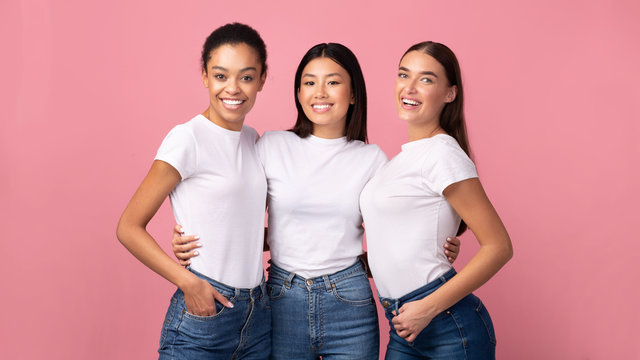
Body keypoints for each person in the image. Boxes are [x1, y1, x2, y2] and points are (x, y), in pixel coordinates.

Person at [172, 42, 462, 359]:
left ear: (353, 94)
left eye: (333, 82)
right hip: (284, 300)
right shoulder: (271, 145)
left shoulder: (372, 159)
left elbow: (401, 220)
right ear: (298, 93)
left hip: (349, 301)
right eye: (309, 82)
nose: (319, 92)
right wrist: (196, 236)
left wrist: (440, 242)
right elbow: (232, 203)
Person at [116, 23, 271, 359]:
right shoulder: (187, 139)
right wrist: (188, 282)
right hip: (206, 313)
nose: (233, 88)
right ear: (204, 76)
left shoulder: (254, 140)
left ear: (262, 79)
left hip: (258, 315)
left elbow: (237, 223)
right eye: (220, 75)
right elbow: (128, 227)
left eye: (246, 77)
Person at [359, 41, 513, 359]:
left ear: (449, 93)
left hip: (446, 325)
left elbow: (499, 247)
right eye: (404, 75)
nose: (410, 87)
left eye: (426, 79)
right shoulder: (400, 161)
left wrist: (426, 308)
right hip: (403, 323)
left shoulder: (443, 153)